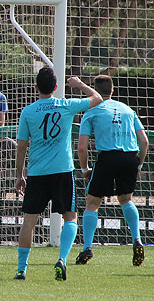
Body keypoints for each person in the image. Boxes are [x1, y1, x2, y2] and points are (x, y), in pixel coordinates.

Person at [13, 67, 102, 281]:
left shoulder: (28, 111)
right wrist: (79, 84)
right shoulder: (66, 106)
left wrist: (19, 175)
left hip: (37, 172)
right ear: (56, 87)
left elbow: (22, 145)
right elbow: (97, 98)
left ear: (36, 88)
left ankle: (21, 269)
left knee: (29, 221)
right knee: (70, 217)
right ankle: (61, 259)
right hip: (63, 171)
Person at [76, 75, 149, 267]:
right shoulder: (127, 109)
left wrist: (85, 169)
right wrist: (139, 164)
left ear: (95, 91)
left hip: (107, 157)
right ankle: (137, 239)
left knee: (92, 202)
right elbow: (145, 141)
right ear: (113, 90)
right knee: (126, 199)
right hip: (130, 157)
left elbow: (82, 146)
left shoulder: (91, 111)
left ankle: (87, 247)